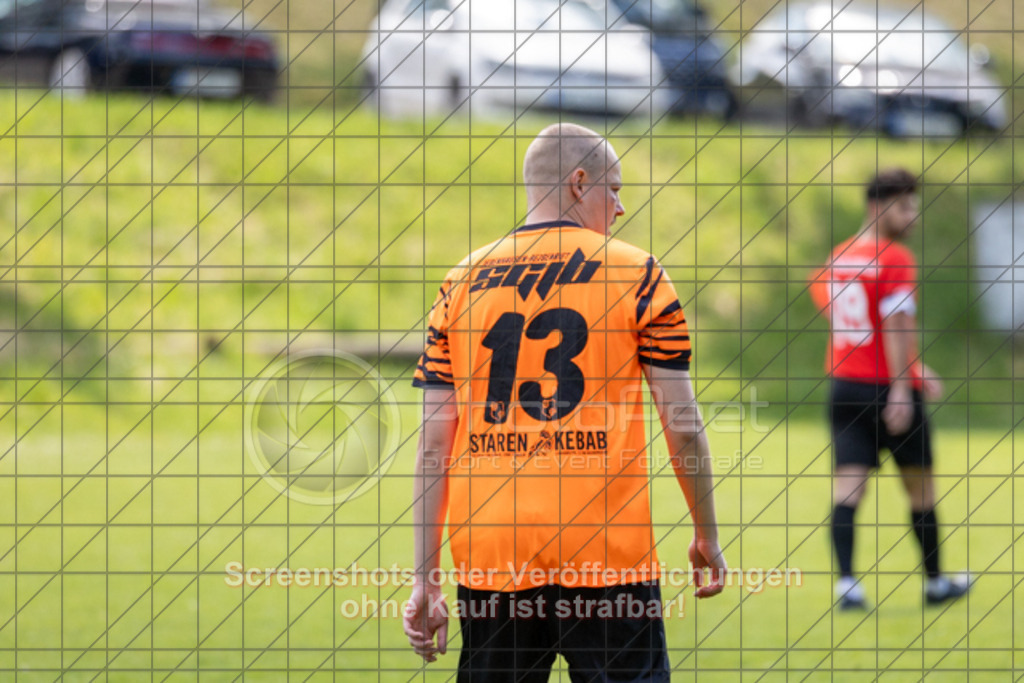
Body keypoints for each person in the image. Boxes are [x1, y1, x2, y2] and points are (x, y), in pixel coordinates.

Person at [403, 122, 726, 681]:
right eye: (616, 188)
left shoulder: (460, 282)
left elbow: (434, 443)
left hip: (492, 554)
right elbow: (685, 426)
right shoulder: (639, 274)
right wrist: (707, 535)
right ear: (580, 182)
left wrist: (425, 579)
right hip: (607, 551)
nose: (620, 207)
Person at [810, 168, 972, 610]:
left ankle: (847, 584)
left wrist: (914, 365)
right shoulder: (894, 258)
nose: (912, 216)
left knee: (847, 488)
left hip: (844, 388)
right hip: (886, 390)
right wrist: (904, 386)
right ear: (878, 207)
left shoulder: (837, 257)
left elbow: (841, 315)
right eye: (905, 206)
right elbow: (897, 323)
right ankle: (937, 584)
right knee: (921, 490)